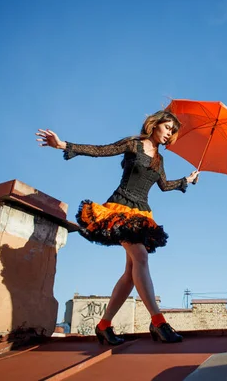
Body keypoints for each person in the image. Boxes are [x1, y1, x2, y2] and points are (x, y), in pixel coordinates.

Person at [36, 110, 199, 345]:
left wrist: (187, 180)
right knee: (141, 259)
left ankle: (103, 326)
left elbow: (163, 185)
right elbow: (101, 150)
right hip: (120, 208)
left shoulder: (159, 159)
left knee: (131, 273)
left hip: (142, 214)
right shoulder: (133, 144)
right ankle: (158, 321)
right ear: (154, 125)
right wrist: (63, 145)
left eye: (173, 132)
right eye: (167, 128)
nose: (169, 134)